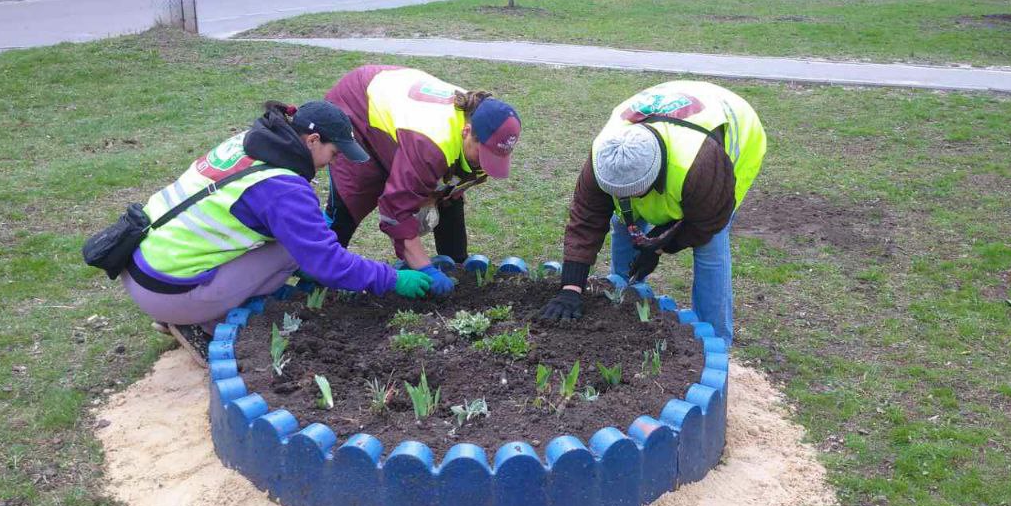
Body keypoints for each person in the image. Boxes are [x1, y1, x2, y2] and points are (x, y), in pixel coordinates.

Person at [120, 99, 432, 362]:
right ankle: (201, 322)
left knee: (297, 243)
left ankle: (193, 308)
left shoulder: (252, 143)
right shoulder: (282, 187)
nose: (334, 162)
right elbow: (327, 263)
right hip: (167, 291)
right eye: (335, 153)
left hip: (143, 262)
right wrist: (392, 279)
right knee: (290, 252)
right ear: (312, 141)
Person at [539, 80, 766, 345]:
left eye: (635, 192)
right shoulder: (603, 157)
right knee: (625, 219)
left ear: (654, 177)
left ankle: (714, 340)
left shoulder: (700, 166)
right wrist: (571, 288)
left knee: (710, 246)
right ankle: (624, 300)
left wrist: (659, 246)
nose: (627, 199)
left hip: (730, 129)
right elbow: (586, 218)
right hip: (667, 116)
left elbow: (705, 224)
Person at [324, 65, 522, 296]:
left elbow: (450, 189)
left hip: (402, 115)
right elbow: (395, 211)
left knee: (445, 190)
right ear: (466, 132)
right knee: (351, 201)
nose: (485, 164)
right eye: (483, 154)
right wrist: (427, 269)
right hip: (359, 106)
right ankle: (314, 273)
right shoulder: (432, 143)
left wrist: (456, 268)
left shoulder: (486, 130)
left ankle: (455, 263)